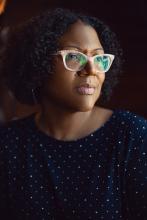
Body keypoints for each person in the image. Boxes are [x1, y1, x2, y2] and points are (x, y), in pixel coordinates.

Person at [0, 7, 147, 220]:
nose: (91, 69)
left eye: (99, 59)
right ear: (39, 62)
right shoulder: (8, 145)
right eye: (74, 57)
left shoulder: (133, 136)